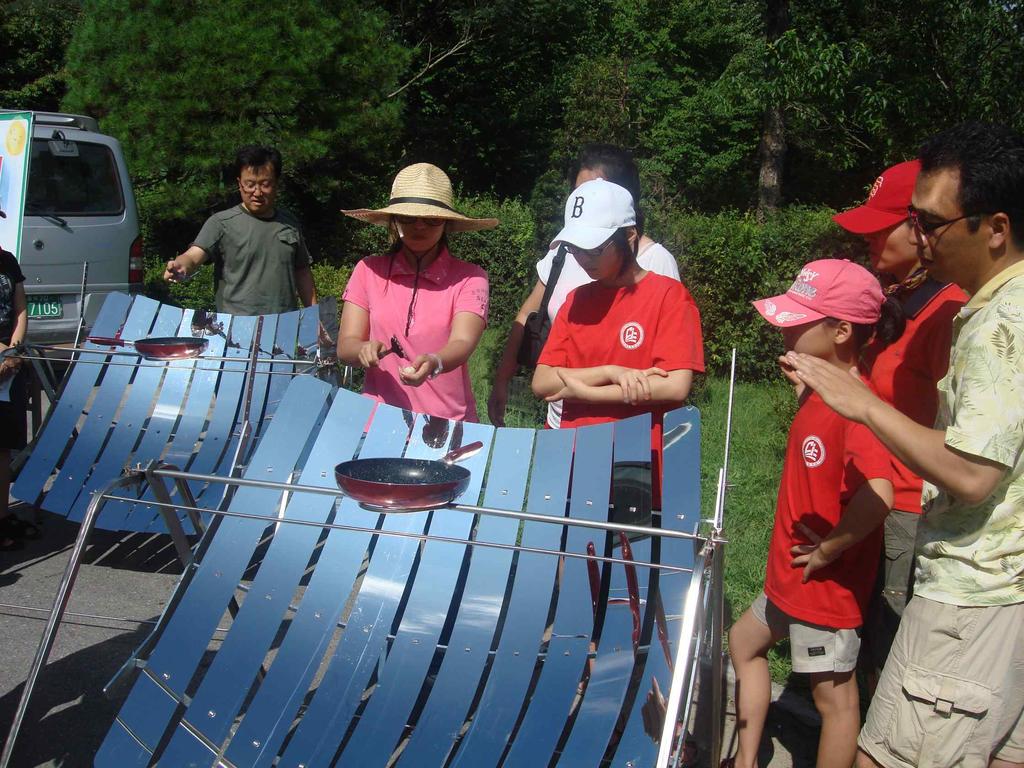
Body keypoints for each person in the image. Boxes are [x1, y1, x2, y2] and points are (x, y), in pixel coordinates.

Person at [785, 122, 1024, 768]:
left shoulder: (999, 322)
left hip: (970, 595)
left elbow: (973, 475)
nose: (919, 237)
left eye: (931, 222)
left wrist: (861, 403)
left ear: (995, 229)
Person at [728, 259, 902, 768]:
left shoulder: (857, 409)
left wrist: (829, 547)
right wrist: (805, 385)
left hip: (821, 591)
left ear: (843, 332)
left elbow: (880, 494)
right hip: (788, 581)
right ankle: (744, 761)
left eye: (800, 321)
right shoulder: (822, 393)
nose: (785, 327)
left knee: (836, 702)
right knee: (744, 642)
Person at [832, 159, 967, 681]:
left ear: (921, 228)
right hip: (868, 491)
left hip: (906, 508)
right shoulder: (898, 298)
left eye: (878, 228)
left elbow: (955, 428)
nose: (868, 242)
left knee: (890, 640)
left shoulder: (949, 314)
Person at [531, 178, 703, 503]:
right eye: (576, 248)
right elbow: (542, 381)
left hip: (639, 460)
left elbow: (675, 385)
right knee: (574, 548)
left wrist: (583, 392)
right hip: (575, 454)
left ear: (629, 235)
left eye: (595, 248)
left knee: (631, 552)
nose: (584, 258)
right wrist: (613, 372)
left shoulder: (670, 297)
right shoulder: (575, 300)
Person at [488, 143, 681, 428]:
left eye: (598, 191)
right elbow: (528, 318)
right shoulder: (566, 253)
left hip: (627, 430)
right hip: (563, 421)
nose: (586, 200)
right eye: (579, 193)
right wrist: (503, 379)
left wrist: (588, 389)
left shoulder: (658, 266)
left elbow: (669, 378)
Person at [337, 163, 495, 421]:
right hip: (377, 422)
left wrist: (435, 362)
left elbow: (463, 343)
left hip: (447, 423)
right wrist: (362, 350)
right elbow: (346, 346)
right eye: (408, 217)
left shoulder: (470, 277)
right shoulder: (367, 271)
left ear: (446, 223)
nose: (419, 226)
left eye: (431, 219)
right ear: (394, 220)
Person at [163, 145, 317, 315]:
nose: (257, 192)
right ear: (239, 184)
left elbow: (302, 271)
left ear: (276, 184)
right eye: (250, 185)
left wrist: (314, 315)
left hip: (283, 327)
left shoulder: (290, 222)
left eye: (265, 184)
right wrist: (180, 265)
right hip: (237, 329)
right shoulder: (221, 223)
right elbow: (193, 256)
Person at [0, 245, 36, 550]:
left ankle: (2, 518)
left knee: (4, 446)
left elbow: (20, 308)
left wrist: (13, 349)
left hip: (8, 366)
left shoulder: (7, 260)